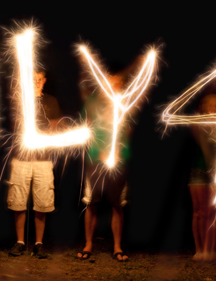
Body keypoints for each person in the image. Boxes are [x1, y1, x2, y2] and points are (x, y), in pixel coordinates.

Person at [7, 70, 62, 259]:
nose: (36, 83)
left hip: (43, 159)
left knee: (42, 203)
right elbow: (16, 126)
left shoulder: (51, 101)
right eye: (32, 80)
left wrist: (45, 135)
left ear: (44, 80)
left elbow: (54, 130)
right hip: (22, 158)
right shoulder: (20, 101)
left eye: (39, 79)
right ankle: (20, 242)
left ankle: (39, 243)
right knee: (19, 201)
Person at [77, 74, 131, 262]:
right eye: (109, 82)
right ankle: (88, 244)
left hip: (119, 161)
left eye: (116, 83)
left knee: (117, 204)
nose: (112, 86)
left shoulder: (124, 106)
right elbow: (87, 129)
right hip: (95, 159)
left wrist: (117, 150)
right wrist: (100, 151)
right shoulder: (93, 103)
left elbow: (128, 131)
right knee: (92, 202)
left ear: (121, 86)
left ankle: (117, 246)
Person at [188, 91, 216, 262]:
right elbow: (205, 147)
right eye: (212, 104)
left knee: (212, 212)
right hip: (199, 170)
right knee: (199, 212)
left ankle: (210, 250)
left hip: (215, 173)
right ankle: (199, 249)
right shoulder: (198, 123)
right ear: (204, 107)